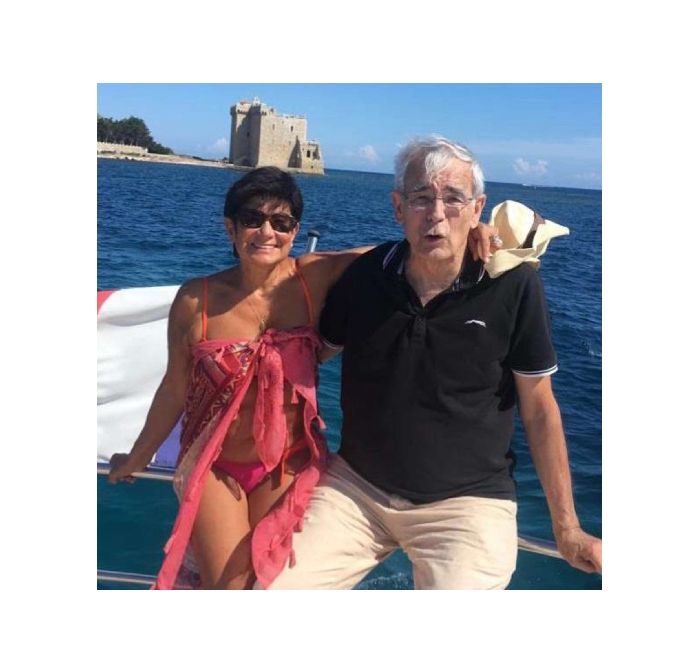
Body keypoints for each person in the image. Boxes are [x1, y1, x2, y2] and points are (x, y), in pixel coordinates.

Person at [107, 165, 501, 589]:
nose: (266, 232)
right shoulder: (195, 299)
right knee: (230, 589)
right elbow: (174, 388)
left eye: (281, 222)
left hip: (288, 464)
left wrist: (468, 232)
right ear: (230, 227)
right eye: (252, 219)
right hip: (217, 464)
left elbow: (402, 251)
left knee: (272, 588)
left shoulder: (312, 278)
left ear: (295, 232)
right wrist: (137, 456)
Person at [265, 136, 602, 590]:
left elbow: (539, 408)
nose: (436, 213)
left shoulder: (514, 286)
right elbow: (312, 353)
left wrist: (567, 527)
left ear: (477, 208)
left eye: (454, 198)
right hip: (355, 488)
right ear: (398, 207)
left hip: (468, 505)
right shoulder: (367, 276)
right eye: (421, 197)